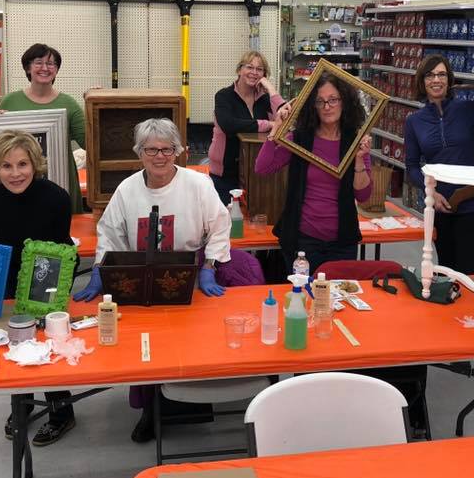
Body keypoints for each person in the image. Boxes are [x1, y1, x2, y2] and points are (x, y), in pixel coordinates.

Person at [72, 118, 231, 442]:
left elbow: (220, 224)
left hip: (186, 275)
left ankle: (189, 405)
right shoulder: (128, 190)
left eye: (167, 149)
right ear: (139, 153)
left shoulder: (198, 185)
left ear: (179, 151)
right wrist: (101, 271)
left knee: (188, 341)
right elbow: (110, 233)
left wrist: (209, 265)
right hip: (140, 276)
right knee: (145, 347)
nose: (160, 156)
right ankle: (150, 410)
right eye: (151, 150)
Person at [0, 130, 77, 446]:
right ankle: (21, 403)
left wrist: (49, 296)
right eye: (6, 166)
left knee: (48, 343)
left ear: (35, 163)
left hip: (49, 279)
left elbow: (59, 251)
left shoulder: (56, 198)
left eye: (22, 164)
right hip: (11, 279)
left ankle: (61, 410)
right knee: (15, 343)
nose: (15, 173)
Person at [255, 71, 372, 274]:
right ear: (312, 106)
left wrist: (359, 159)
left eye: (333, 99)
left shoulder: (355, 141)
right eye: (320, 101)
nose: (327, 107)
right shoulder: (300, 139)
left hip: (343, 243)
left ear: (344, 102)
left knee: (340, 294)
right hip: (303, 242)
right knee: (303, 294)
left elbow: (363, 196)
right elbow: (262, 168)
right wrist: (277, 128)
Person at [404, 54, 474, 276]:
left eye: (441, 74)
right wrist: (431, 192)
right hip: (439, 204)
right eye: (430, 75)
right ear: (422, 81)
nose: (436, 80)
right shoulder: (414, 121)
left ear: (449, 80)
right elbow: (412, 166)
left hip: (471, 201)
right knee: (444, 269)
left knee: (466, 271)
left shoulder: (470, 110)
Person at [0, 43, 86, 214]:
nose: (45, 68)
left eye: (51, 63)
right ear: (28, 68)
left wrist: (95, 104)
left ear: (56, 70)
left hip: (60, 183)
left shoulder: (69, 104)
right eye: (38, 62)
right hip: (18, 183)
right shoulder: (10, 102)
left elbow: (89, 143)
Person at [209, 51, 286, 205]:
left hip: (256, 171)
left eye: (259, 69)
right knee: (226, 217)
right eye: (249, 67)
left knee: (254, 217)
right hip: (225, 173)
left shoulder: (264, 99)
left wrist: (271, 89)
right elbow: (229, 125)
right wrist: (268, 124)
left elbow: (286, 116)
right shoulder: (224, 96)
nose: (254, 72)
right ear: (239, 70)